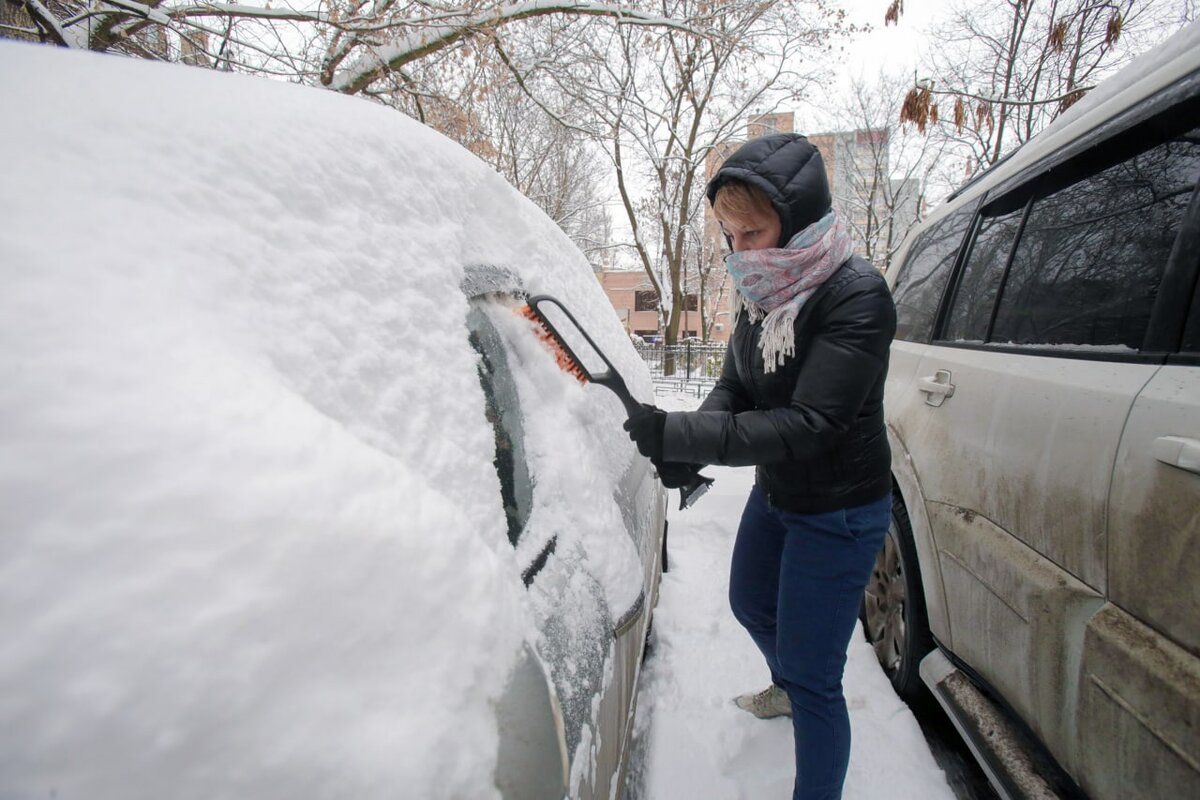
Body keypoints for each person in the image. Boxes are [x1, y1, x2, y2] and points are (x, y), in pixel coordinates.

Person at [623, 133, 896, 800]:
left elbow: (812, 423)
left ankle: (804, 707)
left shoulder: (856, 296)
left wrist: (680, 432)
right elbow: (736, 389)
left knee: (815, 674)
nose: (740, 251)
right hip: (779, 490)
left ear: (796, 221)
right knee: (749, 603)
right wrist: (689, 445)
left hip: (839, 508)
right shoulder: (763, 290)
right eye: (732, 234)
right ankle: (789, 685)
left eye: (754, 232)